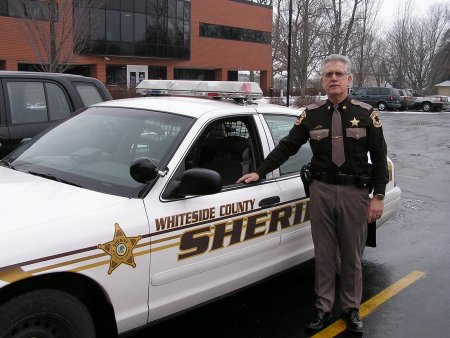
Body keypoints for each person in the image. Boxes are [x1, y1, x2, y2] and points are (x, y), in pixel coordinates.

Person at [237, 54, 388, 334]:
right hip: (321, 191)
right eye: (328, 74)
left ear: (349, 80)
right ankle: (323, 307)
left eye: (338, 74)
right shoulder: (312, 115)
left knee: (352, 255)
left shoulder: (366, 114)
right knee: (324, 253)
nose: (333, 78)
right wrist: (260, 170)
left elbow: (379, 156)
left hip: (355, 192)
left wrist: (378, 196)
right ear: (322, 80)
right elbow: (287, 146)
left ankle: (351, 309)